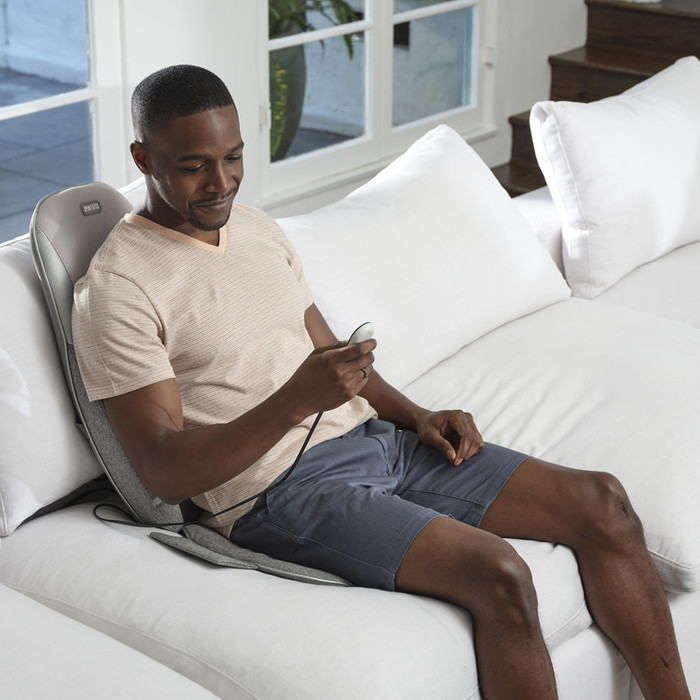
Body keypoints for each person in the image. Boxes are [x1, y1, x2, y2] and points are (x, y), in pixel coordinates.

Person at [72, 65, 690, 700]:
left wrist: (415, 415)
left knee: (603, 503)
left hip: (379, 443)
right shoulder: (121, 287)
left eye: (233, 158)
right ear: (143, 158)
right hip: (280, 494)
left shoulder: (255, 228)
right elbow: (165, 471)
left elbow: (332, 355)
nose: (221, 182)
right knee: (499, 573)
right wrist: (294, 402)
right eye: (194, 165)